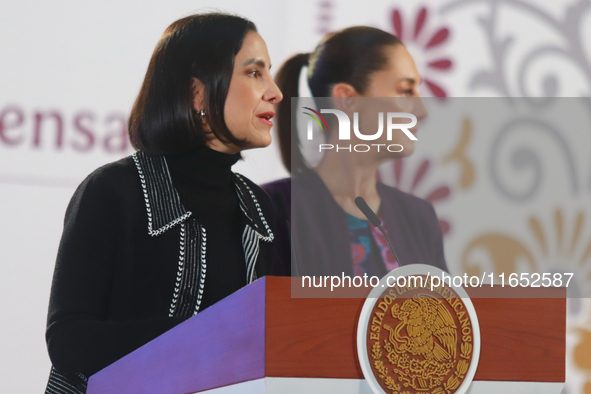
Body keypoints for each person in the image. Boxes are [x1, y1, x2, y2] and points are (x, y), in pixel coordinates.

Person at [44, 13, 282, 394]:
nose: (275, 92)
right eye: (254, 73)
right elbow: (69, 341)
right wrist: (208, 333)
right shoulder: (112, 191)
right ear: (197, 93)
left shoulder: (260, 208)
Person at [263, 26, 448, 278]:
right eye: (406, 91)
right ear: (347, 99)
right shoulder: (270, 209)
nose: (422, 110)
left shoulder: (419, 218)